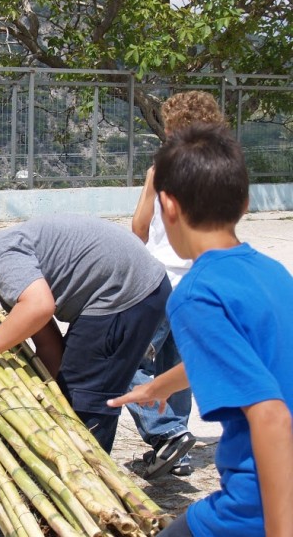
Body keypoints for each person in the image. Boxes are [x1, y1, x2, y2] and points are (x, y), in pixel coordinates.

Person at [109, 123, 293, 537]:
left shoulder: (195, 294)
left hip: (261, 503)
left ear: (167, 206)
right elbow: (238, 357)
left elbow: (272, 417)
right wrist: (159, 387)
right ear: (245, 203)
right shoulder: (272, 272)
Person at [0, 214, 171, 453]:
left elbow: (40, 306)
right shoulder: (10, 282)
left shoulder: (0, 255)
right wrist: (45, 396)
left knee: (85, 395)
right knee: (71, 386)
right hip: (131, 289)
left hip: (126, 292)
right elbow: (50, 347)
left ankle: (88, 480)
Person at [127, 91, 227, 479]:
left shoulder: (162, 169)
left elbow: (138, 226)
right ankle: (179, 451)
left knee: (126, 362)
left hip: (158, 280)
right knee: (177, 367)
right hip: (199, 283)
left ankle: (167, 432)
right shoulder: (223, 172)